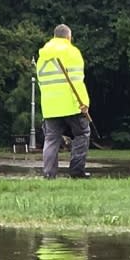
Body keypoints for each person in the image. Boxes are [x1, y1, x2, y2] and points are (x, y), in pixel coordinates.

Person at [36, 24, 92, 179]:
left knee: (51, 139)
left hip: (50, 106)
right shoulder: (72, 52)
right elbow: (77, 80)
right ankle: (76, 171)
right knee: (82, 133)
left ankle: (49, 174)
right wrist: (84, 104)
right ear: (68, 37)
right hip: (71, 104)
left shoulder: (42, 57)